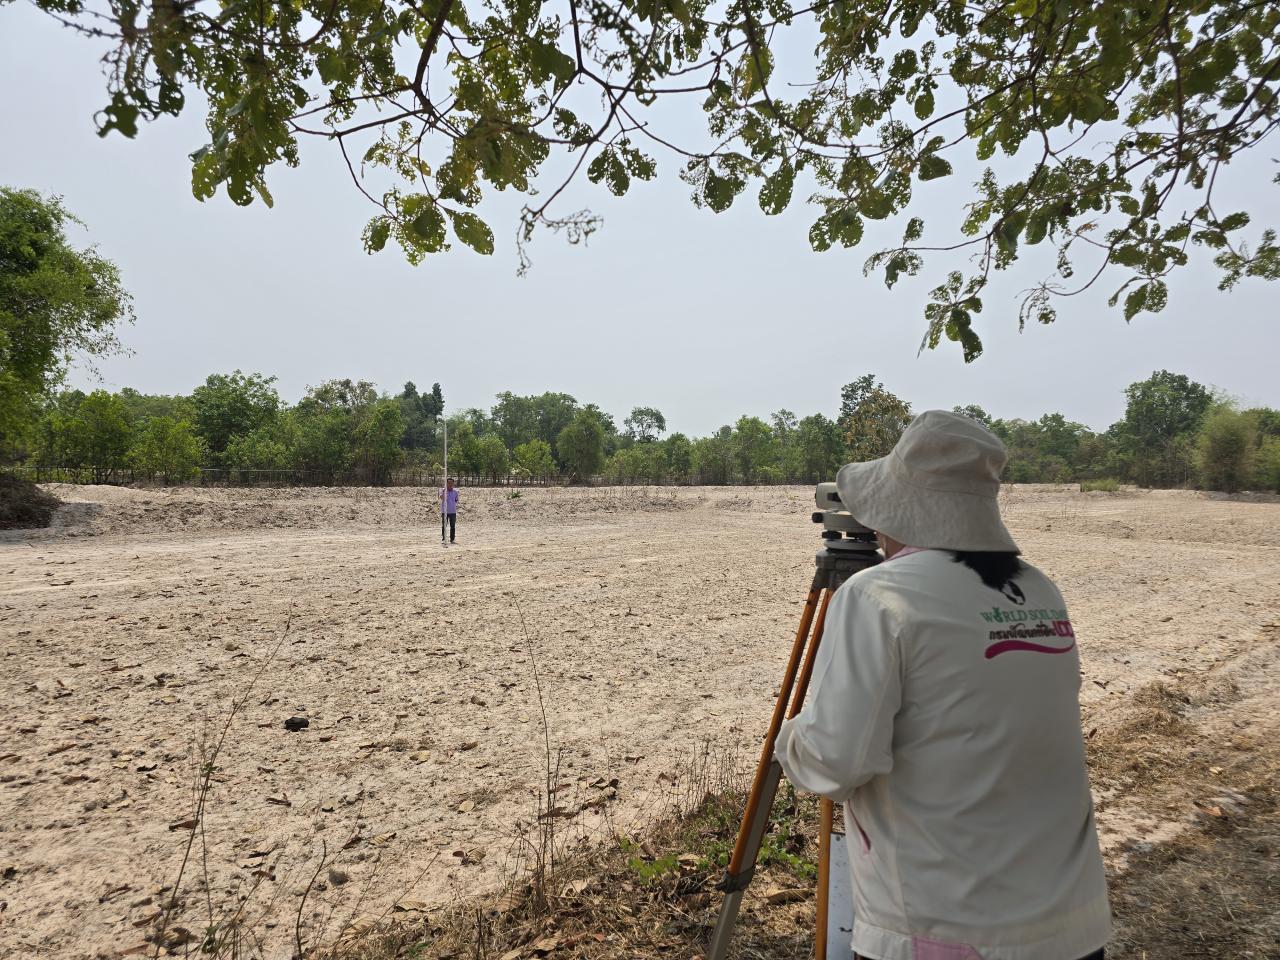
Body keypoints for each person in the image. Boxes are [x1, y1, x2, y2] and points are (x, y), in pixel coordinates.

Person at [776, 410, 1110, 960]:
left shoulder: (878, 597)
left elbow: (835, 764)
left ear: (895, 507)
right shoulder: (1039, 589)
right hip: (1072, 922)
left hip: (945, 926)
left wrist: (789, 739)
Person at [439, 477, 459, 543]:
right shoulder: (442, 490)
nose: (450, 484)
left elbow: (456, 500)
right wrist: (445, 492)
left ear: (453, 484)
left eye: (451, 483)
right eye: (449, 483)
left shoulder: (456, 492)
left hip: (453, 512)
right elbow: (442, 498)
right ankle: (444, 539)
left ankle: (452, 539)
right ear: (446, 483)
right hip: (445, 511)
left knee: (452, 526)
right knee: (444, 525)